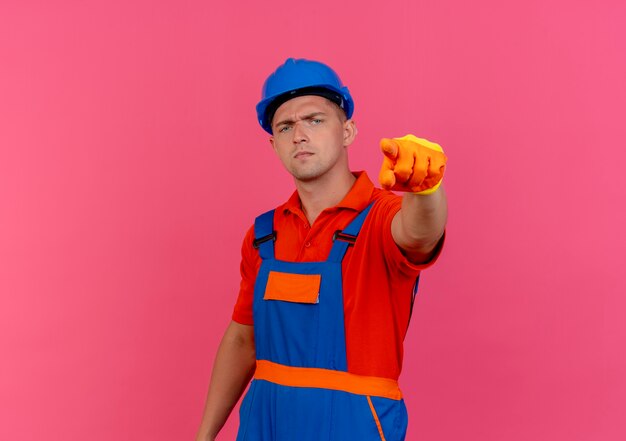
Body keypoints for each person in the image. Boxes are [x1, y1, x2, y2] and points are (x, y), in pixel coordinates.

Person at [196, 58, 448, 441]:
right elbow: (242, 339)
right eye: (286, 126)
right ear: (274, 143)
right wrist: (204, 435)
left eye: (315, 120)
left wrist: (426, 189)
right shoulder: (264, 235)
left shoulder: (382, 218)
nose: (299, 134)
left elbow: (419, 234)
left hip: (354, 425)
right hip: (265, 423)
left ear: (347, 131)